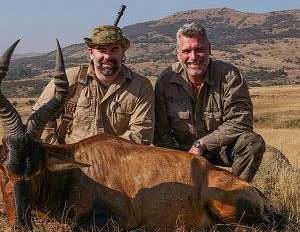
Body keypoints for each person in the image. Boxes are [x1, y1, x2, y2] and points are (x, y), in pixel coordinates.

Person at [154, 22, 265, 182]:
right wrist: (179, 161)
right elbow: (161, 134)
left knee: (252, 143)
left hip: (219, 149)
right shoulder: (165, 80)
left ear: (209, 49)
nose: (193, 57)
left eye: (199, 49)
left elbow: (240, 123)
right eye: (186, 51)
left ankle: (235, 195)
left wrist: (201, 144)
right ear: (178, 53)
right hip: (182, 152)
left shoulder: (229, 76)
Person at [33, 25, 154, 145]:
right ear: (91, 53)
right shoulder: (70, 79)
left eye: (114, 50)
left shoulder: (141, 86)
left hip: (119, 161)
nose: (107, 56)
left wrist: (101, 155)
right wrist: (56, 151)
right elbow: (38, 119)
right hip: (70, 160)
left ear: (123, 52)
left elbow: (141, 133)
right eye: (101, 50)